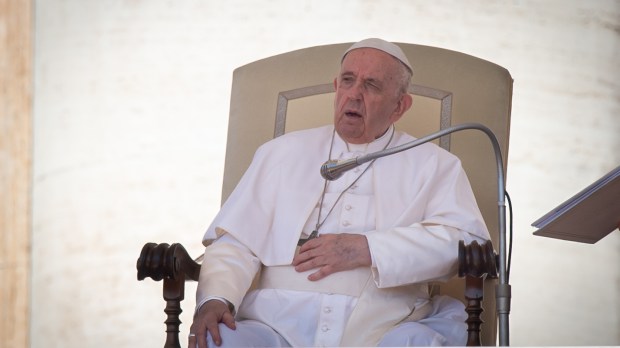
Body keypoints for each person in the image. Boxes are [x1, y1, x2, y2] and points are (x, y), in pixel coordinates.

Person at [189, 38, 490, 347]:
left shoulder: (435, 164)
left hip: (386, 322)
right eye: (348, 80)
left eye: (371, 85)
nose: (354, 94)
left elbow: (468, 243)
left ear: (400, 106)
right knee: (218, 340)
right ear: (336, 86)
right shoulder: (279, 153)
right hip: (274, 321)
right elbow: (237, 241)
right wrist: (216, 298)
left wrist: (369, 248)